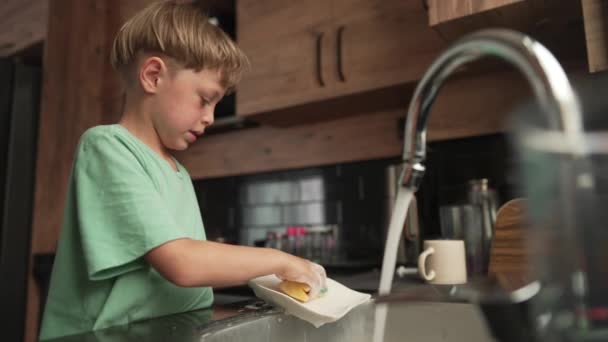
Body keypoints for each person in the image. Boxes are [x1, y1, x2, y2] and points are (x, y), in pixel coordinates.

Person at [39, 1, 326, 339]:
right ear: (153, 75)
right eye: (205, 99)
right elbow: (183, 263)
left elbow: (188, 282)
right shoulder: (107, 147)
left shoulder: (178, 173)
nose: (210, 117)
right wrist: (280, 260)